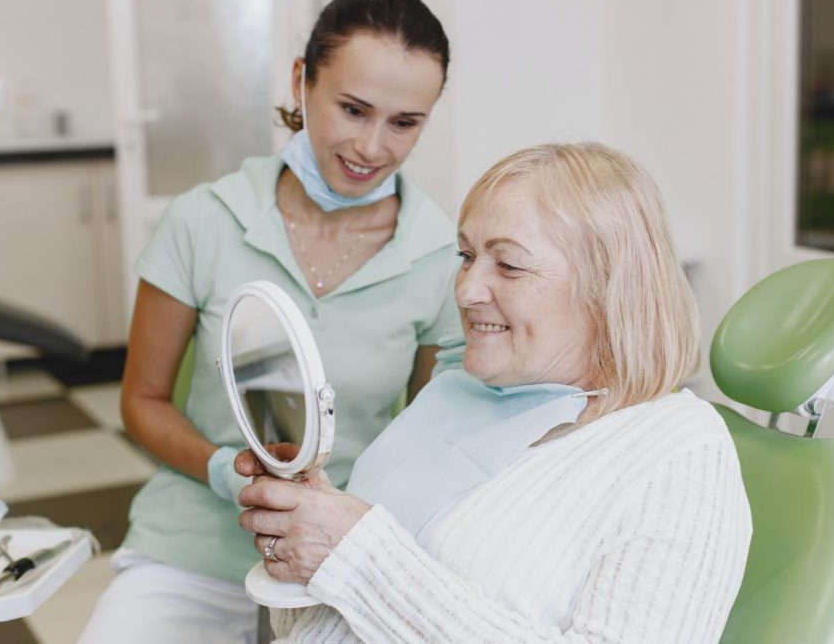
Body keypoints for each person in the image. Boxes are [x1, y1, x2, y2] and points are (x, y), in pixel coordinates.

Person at [237, 142, 753, 643]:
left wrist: (354, 551)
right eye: (467, 256)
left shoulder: (678, 453)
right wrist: (307, 525)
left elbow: (364, 564)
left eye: (508, 265)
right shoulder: (460, 395)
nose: (465, 291)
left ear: (608, 288)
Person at [77, 0, 461, 644]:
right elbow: (142, 399)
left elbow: (428, 435)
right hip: (195, 538)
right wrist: (225, 471)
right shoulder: (205, 219)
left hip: (345, 552)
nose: (373, 147)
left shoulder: (438, 253)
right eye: (352, 108)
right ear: (301, 83)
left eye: (404, 123)